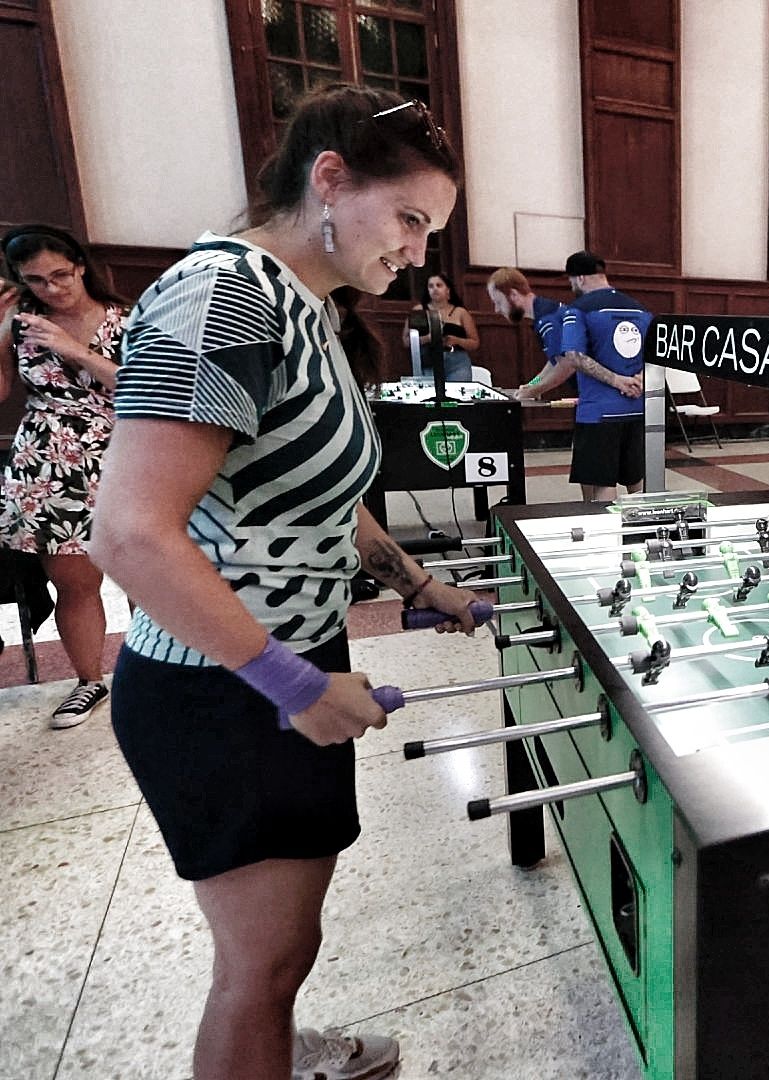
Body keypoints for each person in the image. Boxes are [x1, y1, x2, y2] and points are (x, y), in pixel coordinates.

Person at [88, 85, 480, 1080]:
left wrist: (416, 582)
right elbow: (130, 535)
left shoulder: (303, 306)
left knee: (279, 949)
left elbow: (320, 494)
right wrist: (295, 688)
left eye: (429, 229)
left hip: (275, 665)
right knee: (258, 967)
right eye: (410, 219)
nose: (418, 251)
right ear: (330, 179)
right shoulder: (225, 295)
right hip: (222, 689)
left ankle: (281, 1051)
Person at [0, 224, 127, 727]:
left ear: (79, 265)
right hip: (50, 463)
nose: (53, 289)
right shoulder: (20, 324)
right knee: (74, 583)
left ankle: (162, 670)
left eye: (60, 275)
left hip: (122, 451)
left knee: (150, 575)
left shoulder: (125, 318)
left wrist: (75, 350)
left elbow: (143, 388)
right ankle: (88, 682)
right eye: (37, 281)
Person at [548, 250, 649, 502]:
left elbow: (573, 355)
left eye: (571, 282)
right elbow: (657, 355)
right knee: (635, 478)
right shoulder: (641, 310)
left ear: (580, 279)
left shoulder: (578, 310)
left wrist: (617, 381)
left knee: (602, 483)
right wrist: (640, 379)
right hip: (637, 408)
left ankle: (609, 536)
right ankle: (646, 531)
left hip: (598, 413)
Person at [486, 266, 569, 395]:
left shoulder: (547, 319)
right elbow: (555, 361)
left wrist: (533, 391)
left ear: (513, 295)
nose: (497, 309)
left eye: (499, 302)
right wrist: (532, 384)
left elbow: (566, 366)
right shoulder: (543, 312)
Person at [401, 271, 479, 381]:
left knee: (457, 396)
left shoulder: (460, 312)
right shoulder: (419, 310)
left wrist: (456, 340)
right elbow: (406, 341)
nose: (435, 289)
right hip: (428, 361)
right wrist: (428, 338)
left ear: (448, 290)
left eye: (439, 285)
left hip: (456, 363)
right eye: (431, 286)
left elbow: (475, 343)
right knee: (429, 397)